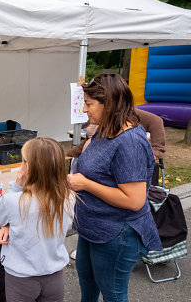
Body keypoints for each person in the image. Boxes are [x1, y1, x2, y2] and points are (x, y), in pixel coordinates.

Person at [67, 73, 162, 302]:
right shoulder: (103, 129)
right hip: (93, 229)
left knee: (114, 295)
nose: (85, 109)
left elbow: (134, 200)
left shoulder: (130, 142)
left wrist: (85, 184)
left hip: (117, 234)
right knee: (87, 288)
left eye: (89, 104)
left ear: (108, 104)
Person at [0, 138, 75, 302]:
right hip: (54, 275)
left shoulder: (13, 201)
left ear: (27, 167)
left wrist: (16, 186)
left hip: (21, 278)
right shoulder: (68, 197)